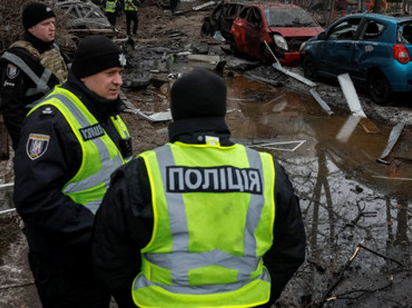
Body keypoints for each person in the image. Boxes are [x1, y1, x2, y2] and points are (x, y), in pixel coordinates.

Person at [92, 68, 306, 307]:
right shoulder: (265, 169)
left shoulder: (143, 171)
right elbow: (291, 249)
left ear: (175, 112)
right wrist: (266, 294)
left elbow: (109, 253)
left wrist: (130, 299)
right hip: (247, 301)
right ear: (222, 111)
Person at [14, 35, 133, 308]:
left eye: (120, 73)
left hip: (102, 252)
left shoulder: (103, 108)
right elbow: (35, 199)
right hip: (67, 261)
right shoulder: (49, 122)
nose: (119, 81)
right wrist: (101, 232)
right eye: (110, 73)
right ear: (85, 75)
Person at [0, 2, 69, 150]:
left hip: (61, 126)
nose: (52, 28)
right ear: (31, 27)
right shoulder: (17, 59)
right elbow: (11, 109)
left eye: (53, 23)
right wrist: (23, 145)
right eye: (45, 24)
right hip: (38, 133)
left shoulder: (52, 47)